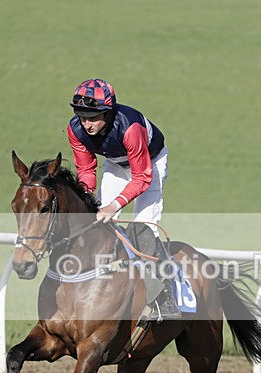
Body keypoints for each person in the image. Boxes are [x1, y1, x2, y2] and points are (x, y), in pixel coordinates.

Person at [66, 78, 181, 321]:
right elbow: (86, 170)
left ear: (108, 113)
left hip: (150, 164)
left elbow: (141, 177)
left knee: (143, 227)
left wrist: (114, 205)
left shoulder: (130, 127)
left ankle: (164, 298)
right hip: (117, 163)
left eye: (93, 117)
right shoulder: (74, 129)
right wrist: (88, 198)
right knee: (98, 222)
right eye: (82, 116)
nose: (86, 124)